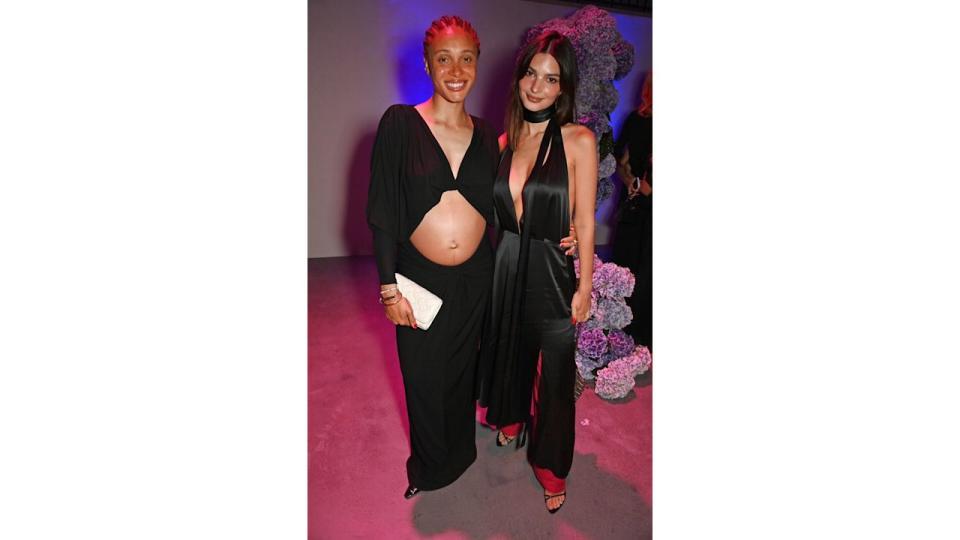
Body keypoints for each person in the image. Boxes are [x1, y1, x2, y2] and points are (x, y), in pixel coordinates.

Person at [366, 15, 499, 500]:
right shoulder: (401, 123)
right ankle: (427, 466)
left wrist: (561, 232)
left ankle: (460, 453)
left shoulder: (488, 135)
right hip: (419, 277)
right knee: (422, 376)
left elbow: (504, 204)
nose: (456, 69)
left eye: (466, 58)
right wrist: (387, 286)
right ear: (427, 64)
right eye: (444, 59)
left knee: (463, 371)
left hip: (476, 276)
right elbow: (382, 210)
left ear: (477, 63)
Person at [480, 31, 597, 514]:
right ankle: (509, 418)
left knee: (553, 374)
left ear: (563, 89)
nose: (537, 86)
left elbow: (585, 219)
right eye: (531, 73)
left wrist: (585, 283)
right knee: (508, 346)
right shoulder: (503, 141)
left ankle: (551, 465)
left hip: (552, 268)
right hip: (506, 262)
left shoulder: (578, 140)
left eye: (551, 79)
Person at [611, 71, 652, 349]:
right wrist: (632, 182)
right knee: (629, 266)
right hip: (638, 206)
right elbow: (617, 157)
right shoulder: (637, 120)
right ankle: (629, 334)